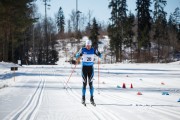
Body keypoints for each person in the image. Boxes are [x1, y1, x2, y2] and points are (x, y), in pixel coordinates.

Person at [76, 40, 101, 105]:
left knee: (91, 84)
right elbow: (76, 56)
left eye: (89, 45)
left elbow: (100, 56)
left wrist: (99, 54)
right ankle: (83, 98)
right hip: (84, 68)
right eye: (87, 45)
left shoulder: (93, 50)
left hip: (91, 69)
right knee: (84, 84)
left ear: (91, 45)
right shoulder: (82, 49)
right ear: (86, 45)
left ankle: (91, 98)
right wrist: (79, 54)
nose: (88, 47)